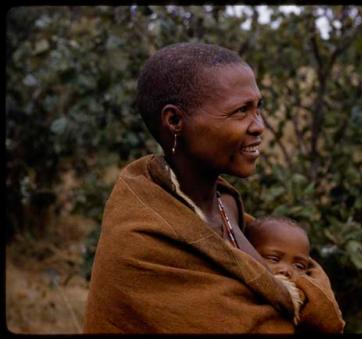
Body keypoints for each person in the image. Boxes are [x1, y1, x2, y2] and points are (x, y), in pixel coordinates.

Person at [83, 42, 345, 334]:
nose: (259, 125)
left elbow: (297, 277)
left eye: (259, 108)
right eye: (240, 111)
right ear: (175, 121)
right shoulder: (141, 236)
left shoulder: (226, 206)